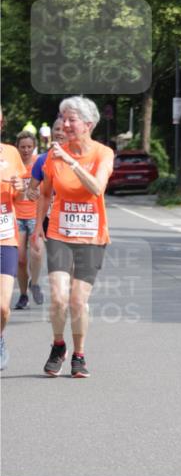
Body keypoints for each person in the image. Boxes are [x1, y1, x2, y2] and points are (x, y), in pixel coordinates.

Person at [33, 97, 114, 378]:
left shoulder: (103, 154)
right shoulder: (52, 157)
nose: (65, 125)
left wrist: (72, 161)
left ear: (88, 124)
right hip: (59, 233)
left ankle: (79, 354)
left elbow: (97, 188)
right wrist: (36, 228)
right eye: (63, 119)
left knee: (78, 301)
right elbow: (44, 193)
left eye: (71, 120)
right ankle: (58, 345)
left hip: (92, 237)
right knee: (57, 298)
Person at [0, 107, 28, 370]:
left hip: (5, 237)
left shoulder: (10, 153)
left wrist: (20, 188)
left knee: (3, 307)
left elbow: (22, 195)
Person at [13, 130, 43, 308]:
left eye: (29, 147)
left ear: (34, 147)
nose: (26, 150)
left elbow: (47, 192)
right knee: (21, 260)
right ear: (17, 148)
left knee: (37, 251)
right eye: (23, 147)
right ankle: (23, 295)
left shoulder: (38, 164)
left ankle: (35, 283)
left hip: (34, 215)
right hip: (16, 217)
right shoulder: (12, 165)